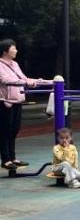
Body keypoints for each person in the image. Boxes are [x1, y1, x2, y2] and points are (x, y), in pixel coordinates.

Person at [0, 39, 50, 169]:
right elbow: (5, 80)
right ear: (5, 51)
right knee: (5, 130)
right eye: (13, 48)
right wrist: (25, 82)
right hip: (5, 102)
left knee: (15, 129)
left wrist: (42, 81)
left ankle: (13, 158)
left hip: (17, 100)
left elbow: (23, 78)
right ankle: (5, 159)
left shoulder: (15, 64)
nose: (16, 50)